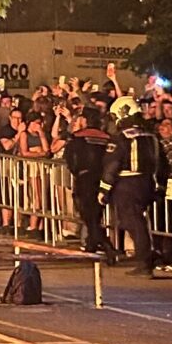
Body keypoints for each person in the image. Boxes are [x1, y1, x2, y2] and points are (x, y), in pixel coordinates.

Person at [103, 98, 161, 273]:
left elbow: (112, 164)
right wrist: (161, 186)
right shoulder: (151, 137)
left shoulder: (121, 138)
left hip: (127, 184)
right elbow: (163, 164)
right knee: (139, 220)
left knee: (131, 220)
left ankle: (145, 259)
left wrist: (104, 189)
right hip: (147, 182)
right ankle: (146, 255)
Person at [62, 110, 110, 257]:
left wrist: (76, 171)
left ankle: (104, 243)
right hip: (102, 178)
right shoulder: (106, 138)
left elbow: (70, 158)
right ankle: (92, 242)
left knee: (87, 213)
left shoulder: (77, 138)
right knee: (96, 212)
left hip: (84, 177)